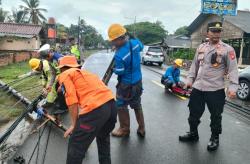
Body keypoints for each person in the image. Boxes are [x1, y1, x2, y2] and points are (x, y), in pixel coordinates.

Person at [179, 21, 239, 151]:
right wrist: (189, 80)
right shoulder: (201, 47)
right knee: (193, 113)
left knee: (216, 116)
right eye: (213, 31)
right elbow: (194, 66)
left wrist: (233, 88)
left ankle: (214, 138)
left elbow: (233, 70)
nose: (216, 34)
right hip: (198, 87)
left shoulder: (227, 49)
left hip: (215, 89)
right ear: (207, 32)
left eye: (218, 32)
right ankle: (193, 133)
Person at [57, 56, 117, 164]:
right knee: (103, 138)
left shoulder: (65, 74)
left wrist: (74, 124)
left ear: (62, 68)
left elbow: (72, 100)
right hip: (111, 106)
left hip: (95, 109)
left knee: (76, 145)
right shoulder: (86, 74)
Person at [107, 23, 145, 137]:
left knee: (121, 105)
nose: (112, 42)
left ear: (119, 39)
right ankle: (142, 128)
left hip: (126, 85)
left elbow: (120, 71)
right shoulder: (135, 44)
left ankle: (124, 129)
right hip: (138, 82)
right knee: (137, 104)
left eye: (113, 40)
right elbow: (142, 46)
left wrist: (114, 69)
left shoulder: (119, 55)